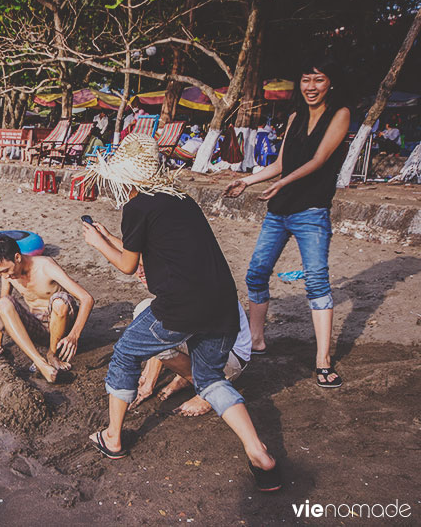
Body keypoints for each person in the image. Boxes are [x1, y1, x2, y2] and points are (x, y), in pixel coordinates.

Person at [82, 133, 280, 491]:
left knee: (125, 353)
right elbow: (151, 254)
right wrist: (110, 236)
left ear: (125, 177)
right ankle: (258, 451)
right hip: (222, 303)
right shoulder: (182, 200)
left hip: (182, 306)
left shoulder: (137, 206)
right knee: (210, 379)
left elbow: (128, 267)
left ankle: (112, 438)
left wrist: (98, 243)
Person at [224, 57, 350, 388]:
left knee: (317, 283)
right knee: (256, 273)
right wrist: (248, 182)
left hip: (311, 212)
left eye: (318, 79)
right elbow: (280, 162)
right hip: (279, 212)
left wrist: (283, 183)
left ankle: (323, 360)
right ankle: (256, 339)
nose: (311, 86)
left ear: (330, 83)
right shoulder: (294, 116)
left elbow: (319, 160)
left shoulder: (340, 114)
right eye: (306, 79)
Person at [0, 236, 94, 383]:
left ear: (17, 257)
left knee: (60, 301)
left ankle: (52, 354)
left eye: (6, 270)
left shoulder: (45, 266)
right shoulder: (7, 274)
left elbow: (86, 298)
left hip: (62, 329)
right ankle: (40, 362)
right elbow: (2, 309)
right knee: (3, 302)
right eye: (0, 273)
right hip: (37, 327)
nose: (5, 276)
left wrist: (74, 336)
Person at [129, 300, 251, 416]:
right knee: (146, 310)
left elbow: (161, 332)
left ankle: (208, 391)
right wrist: (148, 379)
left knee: (157, 328)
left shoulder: (194, 284)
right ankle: (184, 377)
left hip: (229, 357)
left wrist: (148, 384)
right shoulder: (174, 281)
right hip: (206, 342)